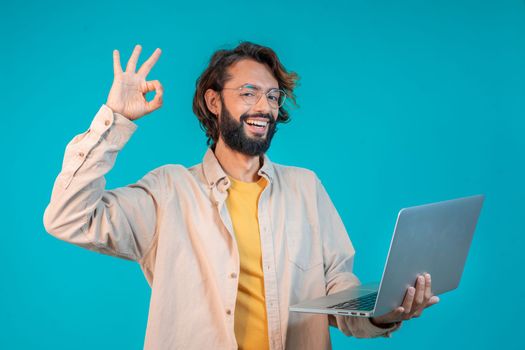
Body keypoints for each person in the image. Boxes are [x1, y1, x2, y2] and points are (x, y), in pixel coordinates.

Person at [43, 42, 439, 350]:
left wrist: (384, 311)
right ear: (214, 102)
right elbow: (69, 218)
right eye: (248, 93)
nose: (263, 107)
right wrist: (115, 120)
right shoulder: (170, 190)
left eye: (271, 96)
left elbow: (337, 294)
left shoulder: (305, 187)